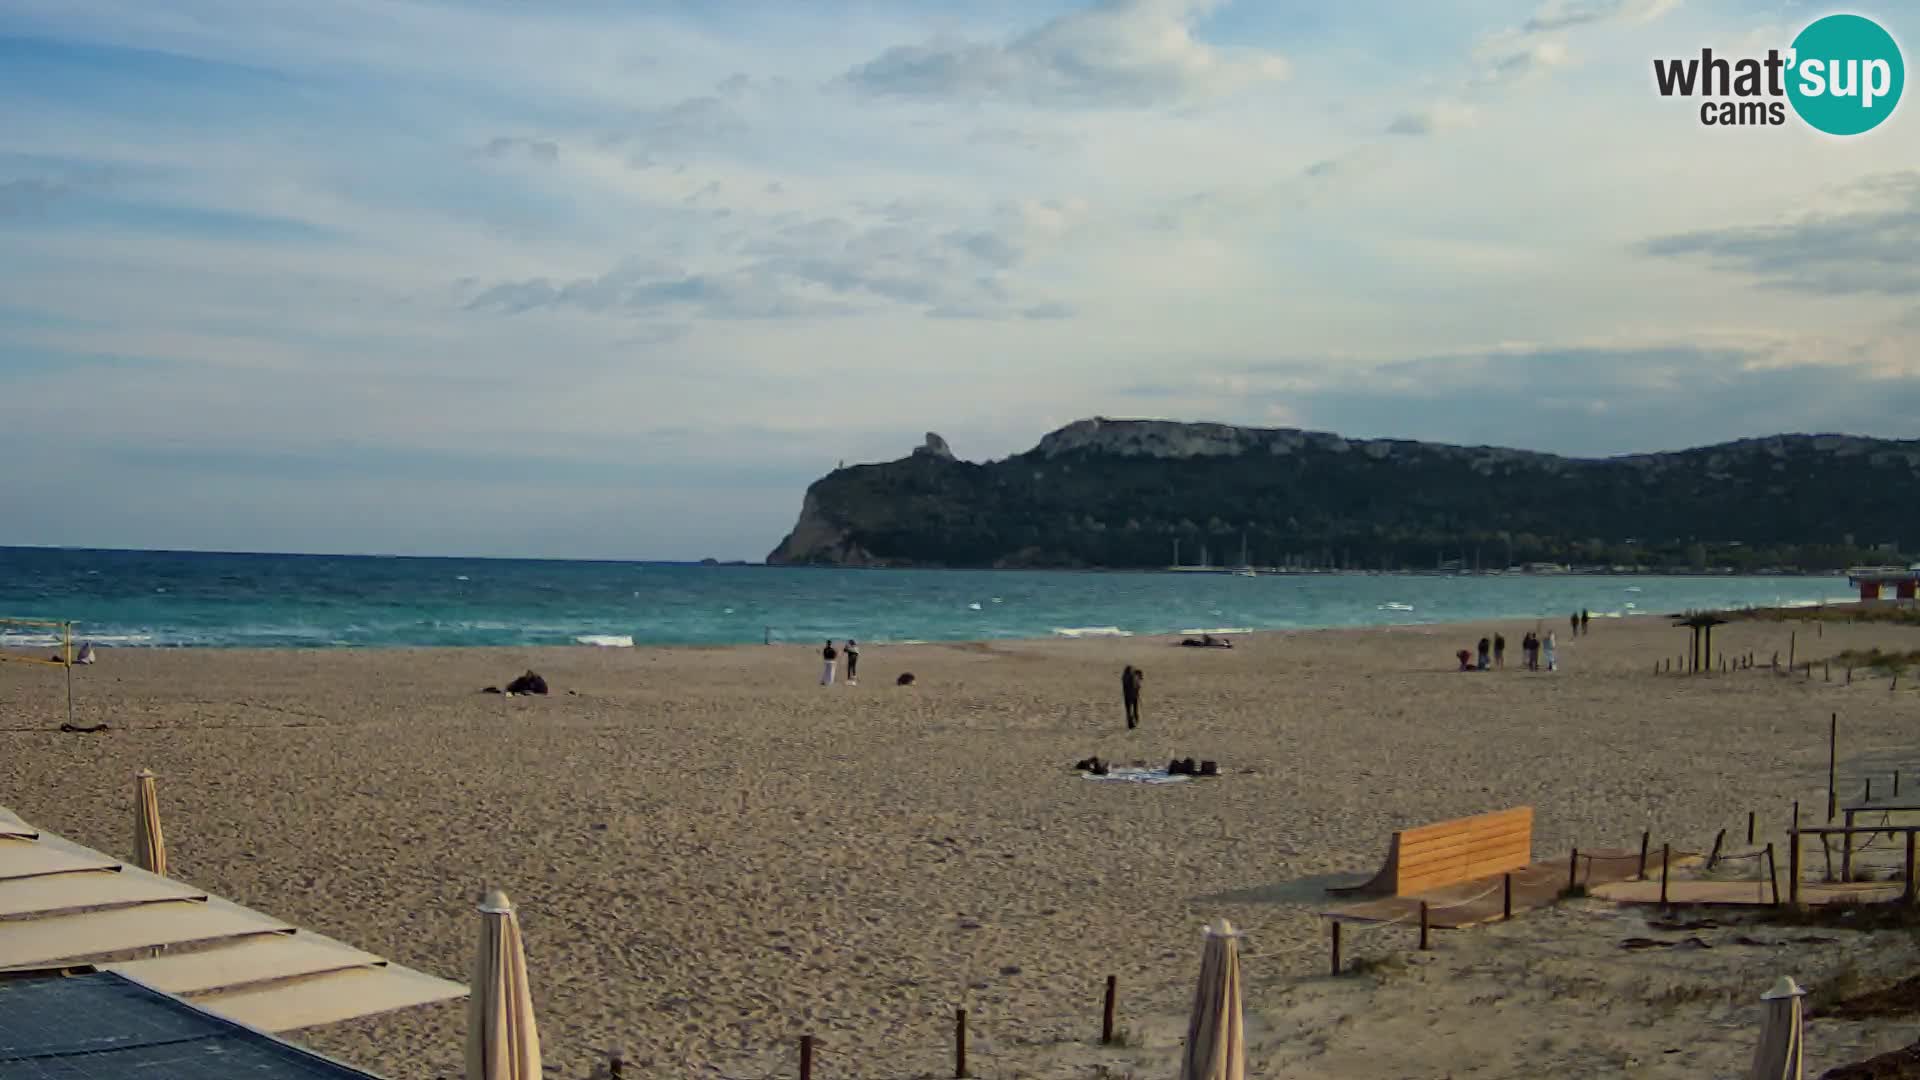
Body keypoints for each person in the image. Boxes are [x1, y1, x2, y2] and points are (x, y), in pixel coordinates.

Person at [1121, 665, 1143, 730]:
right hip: (1133, 696)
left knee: (1129, 711)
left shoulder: (1124, 677)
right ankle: (1135, 721)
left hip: (1127, 696)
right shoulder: (1133, 677)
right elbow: (1137, 686)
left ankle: (1131, 724)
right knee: (1134, 710)